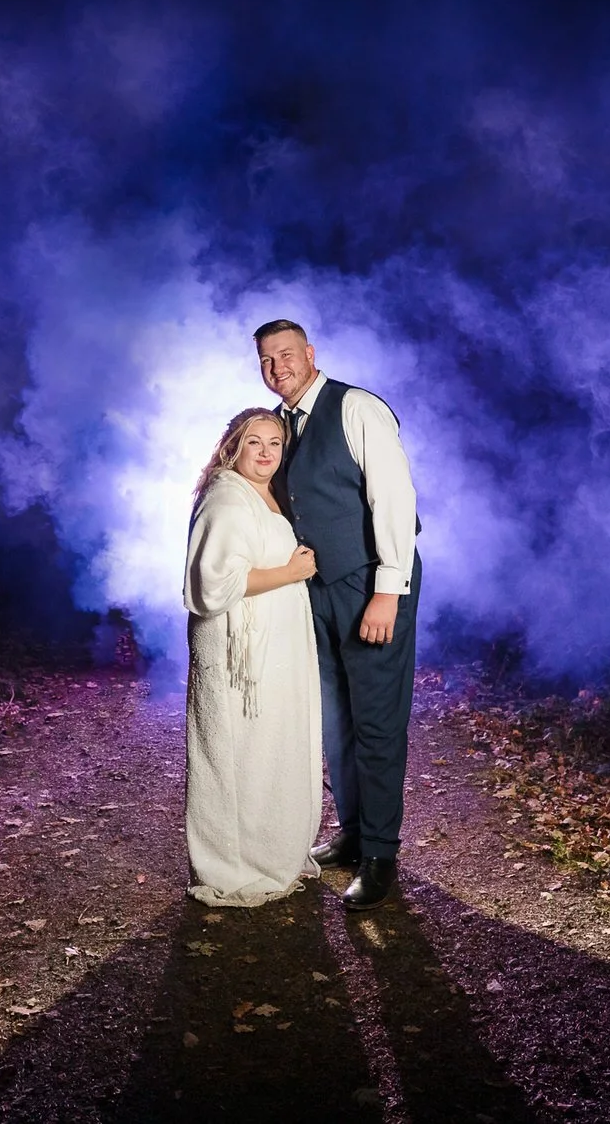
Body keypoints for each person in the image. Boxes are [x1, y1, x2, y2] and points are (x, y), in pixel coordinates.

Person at [255, 319, 421, 911]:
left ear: (310, 354)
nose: (278, 368)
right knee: (335, 720)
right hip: (317, 589)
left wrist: (387, 590)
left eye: (287, 355)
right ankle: (351, 832)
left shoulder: (358, 408)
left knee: (375, 720)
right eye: (267, 360)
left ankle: (380, 855)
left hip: (369, 581)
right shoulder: (280, 428)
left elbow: (394, 500)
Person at [183, 407, 325, 906]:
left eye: (274, 444)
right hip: (238, 652)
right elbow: (212, 586)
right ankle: (234, 863)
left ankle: (273, 851)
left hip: (274, 645)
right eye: (254, 443)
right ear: (233, 447)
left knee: (270, 748)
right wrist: (290, 574)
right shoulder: (227, 497)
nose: (265, 453)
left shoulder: (266, 492)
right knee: (239, 750)